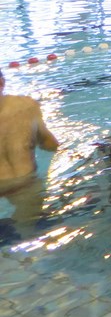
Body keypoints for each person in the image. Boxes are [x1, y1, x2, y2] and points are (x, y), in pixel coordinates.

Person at [0, 68, 59, 226]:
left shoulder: (27, 106)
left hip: (22, 183)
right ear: (2, 83)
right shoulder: (27, 106)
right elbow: (49, 143)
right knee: (29, 230)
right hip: (26, 184)